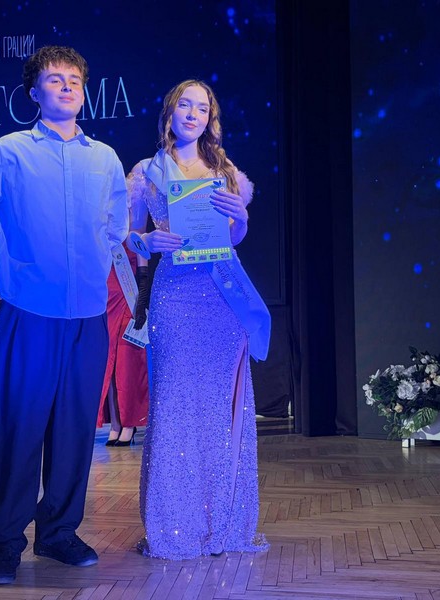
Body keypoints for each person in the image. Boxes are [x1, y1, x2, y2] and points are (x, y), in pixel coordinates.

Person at [0, 45, 128, 585]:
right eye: (55, 79)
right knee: (21, 428)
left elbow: (116, 225)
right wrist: (10, 248)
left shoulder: (105, 158)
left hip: (87, 314)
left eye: (75, 79)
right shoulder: (9, 152)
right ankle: (6, 542)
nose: (67, 86)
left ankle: (58, 533)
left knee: (75, 430)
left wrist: (98, 257)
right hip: (30, 310)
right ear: (34, 92)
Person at [128, 80, 271, 559]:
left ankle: (223, 521)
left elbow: (234, 236)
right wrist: (147, 242)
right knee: (174, 405)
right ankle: (175, 526)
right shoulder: (146, 172)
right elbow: (127, 235)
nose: (193, 114)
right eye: (185, 105)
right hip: (174, 294)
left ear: (211, 118)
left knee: (219, 408)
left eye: (203, 108)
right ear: (169, 112)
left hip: (221, 296)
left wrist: (241, 217)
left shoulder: (225, 172)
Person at [98, 244, 149, 447]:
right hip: (106, 304)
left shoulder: (134, 235)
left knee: (126, 366)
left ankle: (129, 423)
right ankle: (116, 423)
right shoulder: (102, 237)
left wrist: (141, 305)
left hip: (129, 302)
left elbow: (143, 272)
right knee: (108, 368)